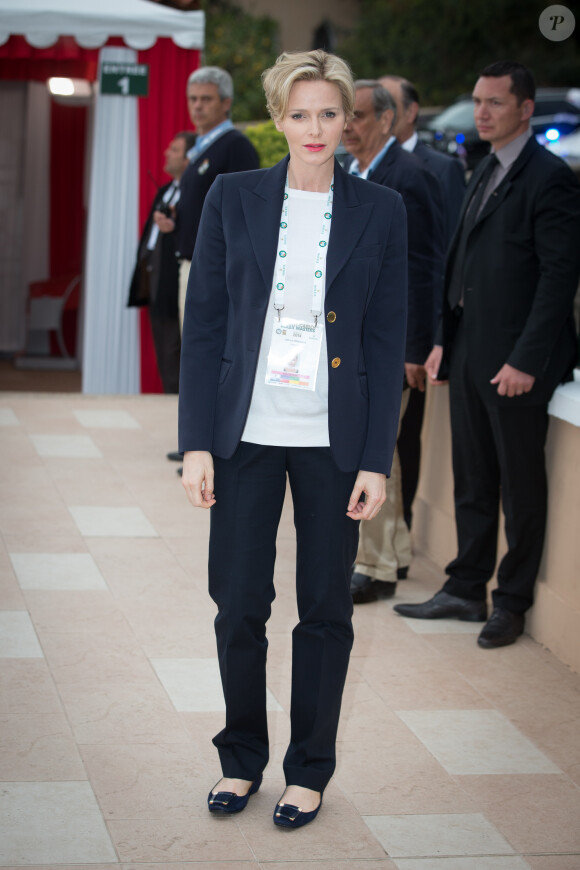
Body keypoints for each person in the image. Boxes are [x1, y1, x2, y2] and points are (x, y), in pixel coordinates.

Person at [178, 50, 408, 828]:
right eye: (299, 113)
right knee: (238, 604)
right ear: (277, 119)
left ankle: (308, 769)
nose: (315, 128)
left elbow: (384, 341)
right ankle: (242, 760)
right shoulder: (233, 197)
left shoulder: (381, 209)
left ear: (350, 119)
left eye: (329, 113)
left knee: (325, 612)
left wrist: (377, 459)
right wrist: (198, 440)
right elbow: (205, 323)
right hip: (245, 434)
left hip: (332, 443)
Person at [394, 61, 580, 648]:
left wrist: (527, 359)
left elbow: (558, 279)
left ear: (526, 109)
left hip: (519, 362)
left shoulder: (550, 177)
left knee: (520, 485)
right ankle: (465, 586)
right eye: (478, 101)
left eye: (495, 103)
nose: (481, 112)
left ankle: (513, 601)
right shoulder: (481, 168)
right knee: (473, 478)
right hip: (471, 348)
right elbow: (460, 263)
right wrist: (444, 340)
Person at [342, 81, 445, 603]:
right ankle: (397, 552)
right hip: (355, 343)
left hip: (390, 346)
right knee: (389, 457)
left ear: (387, 120)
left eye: (357, 116)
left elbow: (425, 270)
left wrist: (413, 347)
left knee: (374, 450)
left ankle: (375, 566)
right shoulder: (354, 172)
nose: (348, 126)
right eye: (346, 116)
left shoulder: (408, 177)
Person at [159, 65, 260, 466]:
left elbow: (247, 215)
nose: (197, 107)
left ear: (226, 103)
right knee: (195, 357)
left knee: (211, 357)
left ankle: (210, 446)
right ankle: (195, 441)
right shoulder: (200, 146)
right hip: (191, 266)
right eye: (193, 99)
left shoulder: (235, 146)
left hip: (218, 274)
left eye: (206, 99)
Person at [380, 74, 465, 529]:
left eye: (387, 105)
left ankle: (400, 537)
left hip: (415, 336)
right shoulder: (356, 164)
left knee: (403, 439)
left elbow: (442, 256)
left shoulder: (439, 168)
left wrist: (431, 339)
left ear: (409, 112)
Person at [128, 131, 196, 393]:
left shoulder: (192, 193)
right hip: (154, 281)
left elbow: (192, 235)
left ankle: (180, 411)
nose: (167, 153)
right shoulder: (166, 190)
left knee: (177, 350)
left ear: (188, 158)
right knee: (165, 353)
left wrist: (174, 227)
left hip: (175, 280)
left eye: (175, 150)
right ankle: (170, 402)